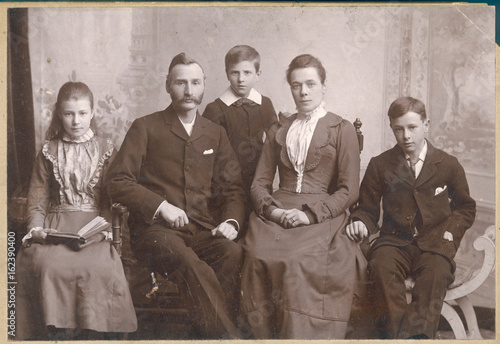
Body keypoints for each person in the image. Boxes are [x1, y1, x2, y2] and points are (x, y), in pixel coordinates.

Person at [107, 53, 246, 339]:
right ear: (168, 86)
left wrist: (231, 222)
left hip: (201, 230)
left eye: (195, 82)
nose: (189, 90)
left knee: (232, 253)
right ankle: (229, 339)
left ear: (204, 86)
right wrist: (161, 206)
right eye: (180, 82)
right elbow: (117, 181)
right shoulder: (145, 127)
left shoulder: (215, 133)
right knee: (190, 263)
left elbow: (234, 189)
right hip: (154, 233)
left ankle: (204, 335)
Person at [240, 54, 361, 339]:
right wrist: (274, 212)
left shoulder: (341, 129)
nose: (303, 92)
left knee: (297, 261)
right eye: (296, 85)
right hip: (277, 212)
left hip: (321, 214)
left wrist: (309, 214)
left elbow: (349, 189)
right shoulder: (279, 128)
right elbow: (259, 183)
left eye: (310, 84)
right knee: (256, 255)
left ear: (323, 86)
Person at [15, 82, 137, 340]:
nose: (76, 120)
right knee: (46, 264)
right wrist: (36, 228)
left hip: (94, 226)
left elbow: (111, 197)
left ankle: (92, 330)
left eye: (82, 113)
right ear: (59, 113)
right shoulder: (48, 150)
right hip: (56, 224)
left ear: (92, 113)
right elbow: (38, 197)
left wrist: (104, 229)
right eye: (69, 113)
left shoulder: (106, 149)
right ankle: (55, 329)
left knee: (98, 267)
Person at [346, 96, 476, 339]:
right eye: (398, 129)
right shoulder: (380, 164)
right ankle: (399, 338)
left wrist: (450, 232)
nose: (406, 136)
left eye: (412, 127)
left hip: (436, 243)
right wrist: (361, 221)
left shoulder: (448, 164)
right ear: (392, 129)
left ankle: (416, 339)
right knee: (381, 268)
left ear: (426, 124)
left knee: (436, 274)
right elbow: (367, 208)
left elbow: (465, 208)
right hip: (393, 242)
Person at [203, 45, 277, 231]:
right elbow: (208, 156)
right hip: (225, 189)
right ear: (227, 74)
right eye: (235, 73)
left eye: (247, 73)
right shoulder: (215, 110)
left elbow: (273, 146)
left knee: (259, 232)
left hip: (259, 185)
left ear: (258, 74)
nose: (241, 79)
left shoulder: (265, 105)